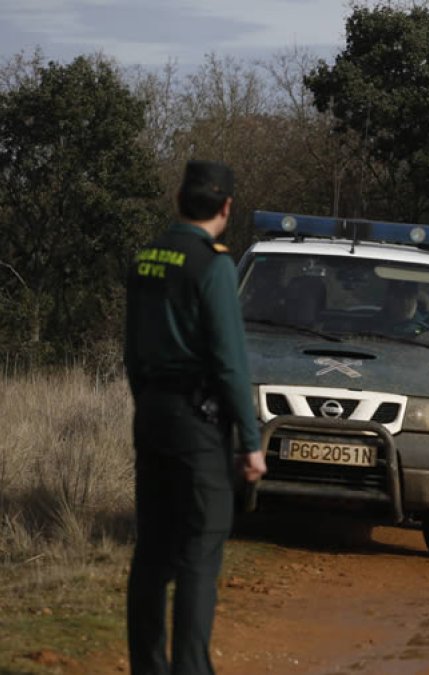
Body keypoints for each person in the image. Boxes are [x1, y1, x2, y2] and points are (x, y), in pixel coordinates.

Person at [123, 160, 267, 675]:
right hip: (196, 422)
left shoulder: (147, 258)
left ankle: (149, 666)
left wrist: (149, 403)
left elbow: (132, 352)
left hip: (152, 415)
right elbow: (229, 360)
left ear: (179, 200)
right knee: (200, 551)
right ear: (226, 208)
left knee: (152, 550)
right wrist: (251, 441)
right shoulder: (214, 265)